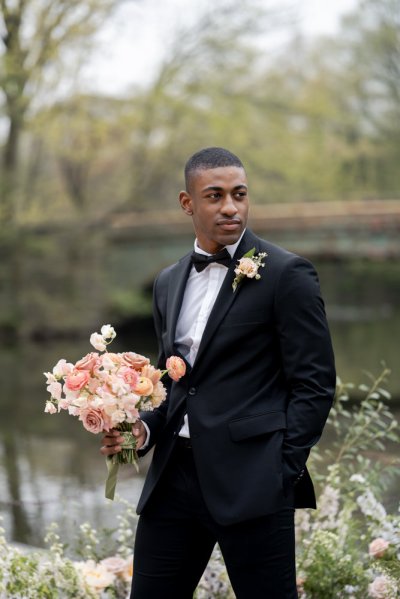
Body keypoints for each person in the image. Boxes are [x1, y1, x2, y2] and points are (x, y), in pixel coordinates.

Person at [101, 147, 336, 598]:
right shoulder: (167, 281)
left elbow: (315, 383)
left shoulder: (288, 274)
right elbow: (170, 381)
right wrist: (142, 433)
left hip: (254, 482)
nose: (231, 206)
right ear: (187, 203)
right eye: (215, 195)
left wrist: (280, 469)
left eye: (239, 194)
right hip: (172, 481)